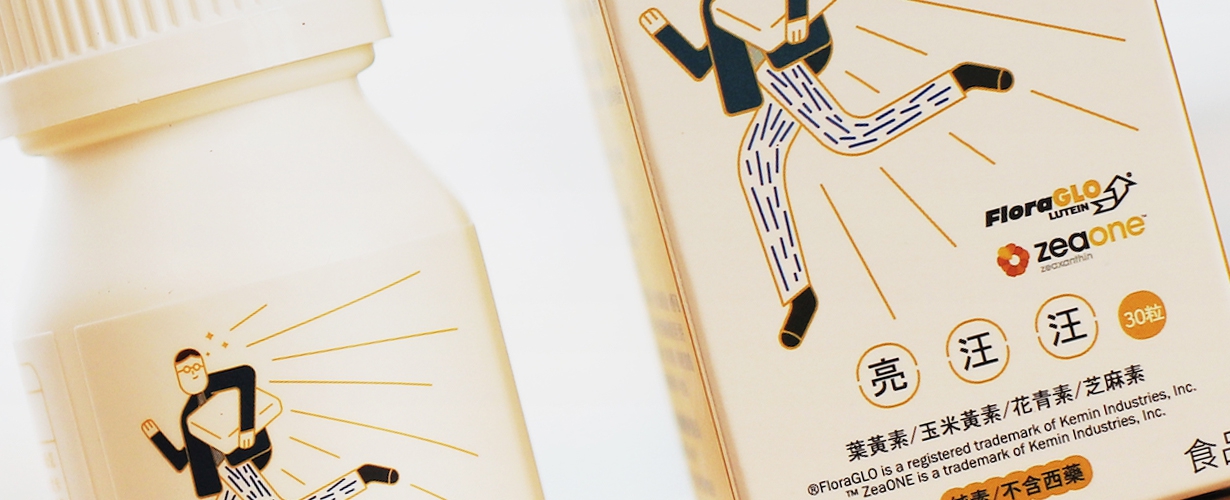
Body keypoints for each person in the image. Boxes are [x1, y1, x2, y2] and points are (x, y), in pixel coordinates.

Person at [640, 1, 1013, 349]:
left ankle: (959, 80)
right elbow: (703, 65)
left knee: (850, 137)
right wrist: (664, 34)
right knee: (757, 163)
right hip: (768, 74)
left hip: (786, 63)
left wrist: (797, 13)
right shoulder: (713, 7)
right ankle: (799, 294)